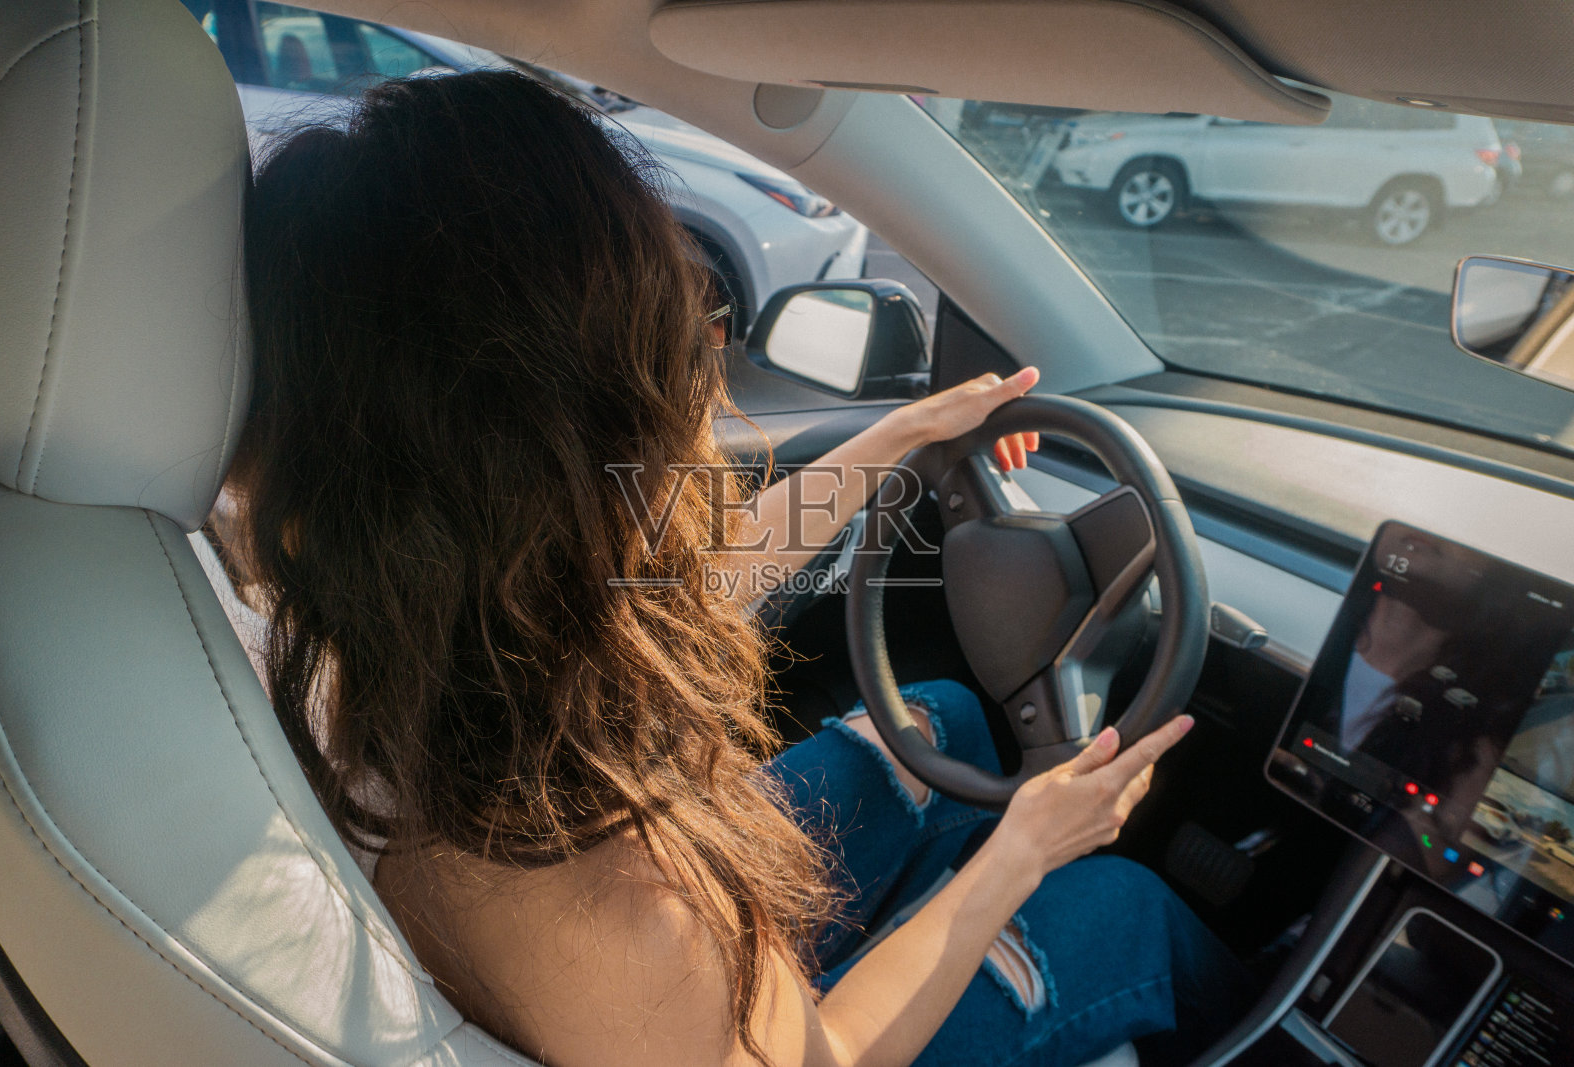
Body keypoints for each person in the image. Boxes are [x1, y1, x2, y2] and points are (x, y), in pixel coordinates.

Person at [225, 69, 1252, 1067]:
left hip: (682, 961)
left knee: (941, 717)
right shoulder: (601, 901)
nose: (700, 372)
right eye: (678, 340)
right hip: (743, 1017)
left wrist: (894, 441)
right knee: (1120, 912)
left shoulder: (376, 615)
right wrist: (1022, 851)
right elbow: (827, 1052)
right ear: (573, 439)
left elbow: (673, 584)